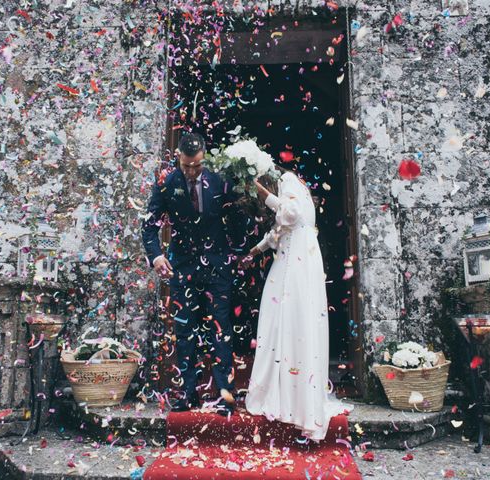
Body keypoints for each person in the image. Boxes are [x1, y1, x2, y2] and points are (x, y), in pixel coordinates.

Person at [242, 168, 350, 441]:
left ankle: (291, 399)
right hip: (296, 260)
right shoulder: (296, 189)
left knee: (287, 322)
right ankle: (286, 392)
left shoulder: (287, 180)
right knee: (283, 322)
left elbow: (288, 215)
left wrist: (265, 196)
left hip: (295, 266)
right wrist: (257, 250)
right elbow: (282, 228)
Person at [141, 133, 238, 416]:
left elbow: (236, 218)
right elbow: (149, 225)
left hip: (218, 265)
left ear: (204, 157)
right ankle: (186, 393)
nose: (192, 171)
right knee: (184, 330)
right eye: (187, 166)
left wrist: (239, 252)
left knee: (221, 328)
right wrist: (157, 256)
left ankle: (224, 395)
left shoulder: (220, 179)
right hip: (182, 266)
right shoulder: (167, 183)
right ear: (179, 159)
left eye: (196, 166)